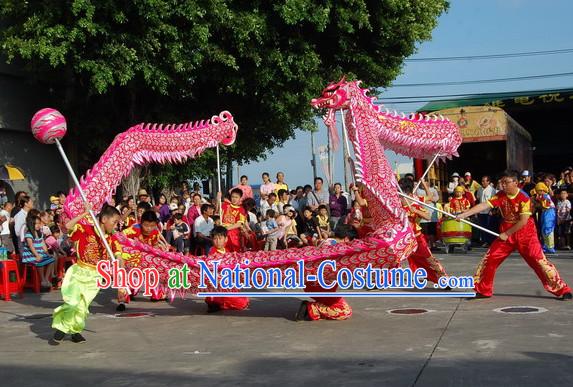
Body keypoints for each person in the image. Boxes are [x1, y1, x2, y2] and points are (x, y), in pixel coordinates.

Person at [457, 170, 572, 300]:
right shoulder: (500, 195)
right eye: (502, 182)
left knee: (539, 262)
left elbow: (523, 221)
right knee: (490, 259)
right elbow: (484, 205)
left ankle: (562, 289)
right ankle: (484, 290)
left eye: (506, 182)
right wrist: (464, 215)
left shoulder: (524, 198)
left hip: (526, 234)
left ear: (515, 182)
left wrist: (506, 233)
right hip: (506, 233)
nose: (503, 185)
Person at [52, 205, 132, 343]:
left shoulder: (112, 238)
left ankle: (75, 331)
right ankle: (62, 328)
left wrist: (120, 270)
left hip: (95, 276)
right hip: (78, 272)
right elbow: (67, 226)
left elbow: (119, 258)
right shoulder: (86, 229)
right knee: (72, 302)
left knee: (83, 307)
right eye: (114, 222)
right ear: (104, 219)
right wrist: (85, 213)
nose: (115, 225)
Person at [295, 225, 357, 321]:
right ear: (346, 239)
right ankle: (311, 308)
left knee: (334, 303)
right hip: (322, 285)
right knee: (345, 311)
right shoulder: (338, 248)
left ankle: (315, 307)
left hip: (312, 283)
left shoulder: (325, 241)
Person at [398, 178, 449, 285]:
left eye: (402, 193)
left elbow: (428, 215)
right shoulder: (395, 203)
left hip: (416, 237)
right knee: (393, 258)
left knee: (428, 259)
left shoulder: (416, 201)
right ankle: (382, 279)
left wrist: (416, 210)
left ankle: (443, 279)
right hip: (401, 237)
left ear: (408, 191)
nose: (400, 196)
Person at [118, 210, 169, 310]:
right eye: (146, 225)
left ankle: (156, 294)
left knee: (153, 274)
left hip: (147, 258)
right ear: (141, 223)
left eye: (152, 225)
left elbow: (154, 246)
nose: (149, 228)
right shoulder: (134, 229)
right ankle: (126, 295)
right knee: (132, 280)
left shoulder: (155, 232)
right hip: (132, 259)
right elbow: (120, 237)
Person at [204, 226, 249, 312]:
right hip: (216, 283)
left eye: (220, 238)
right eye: (215, 239)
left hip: (227, 283)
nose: (217, 241)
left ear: (226, 239)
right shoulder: (212, 251)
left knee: (243, 302)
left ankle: (222, 302)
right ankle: (214, 302)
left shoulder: (227, 251)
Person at [21, 214, 56, 290]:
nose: (38, 225)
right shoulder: (29, 234)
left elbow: (43, 244)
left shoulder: (40, 233)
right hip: (31, 255)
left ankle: (46, 278)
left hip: (39, 254)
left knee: (52, 259)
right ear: (31, 224)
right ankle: (42, 279)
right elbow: (31, 246)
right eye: (36, 224)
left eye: (39, 223)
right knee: (40, 261)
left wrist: (47, 253)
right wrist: (37, 255)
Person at [531, 182, 557, 254]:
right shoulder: (540, 196)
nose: (537, 192)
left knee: (548, 229)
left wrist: (536, 201)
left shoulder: (545, 196)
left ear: (542, 190)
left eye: (539, 190)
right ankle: (545, 246)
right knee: (543, 229)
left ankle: (550, 247)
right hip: (544, 213)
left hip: (549, 213)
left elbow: (545, 205)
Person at [221, 188, 249, 252]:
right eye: (233, 197)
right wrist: (218, 198)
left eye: (236, 197)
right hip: (223, 228)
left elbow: (239, 223)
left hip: (233, 231)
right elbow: (218, 212)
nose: (234, 199)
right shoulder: (225, 205)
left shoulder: (241, 209)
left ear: (240, 198)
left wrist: (227, 228)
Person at [476, 176, 497, 247]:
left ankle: (490, 242)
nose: (483, 182)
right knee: (482, 227)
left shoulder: (492, 190)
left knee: (489, 227)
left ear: (488, 182)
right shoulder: (479, 190)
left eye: (485, 181)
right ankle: (485, 241)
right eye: (482, 181)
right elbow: (478, 200)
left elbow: (495, 202)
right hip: (481, 212)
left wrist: (492, 210)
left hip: (489, 212)